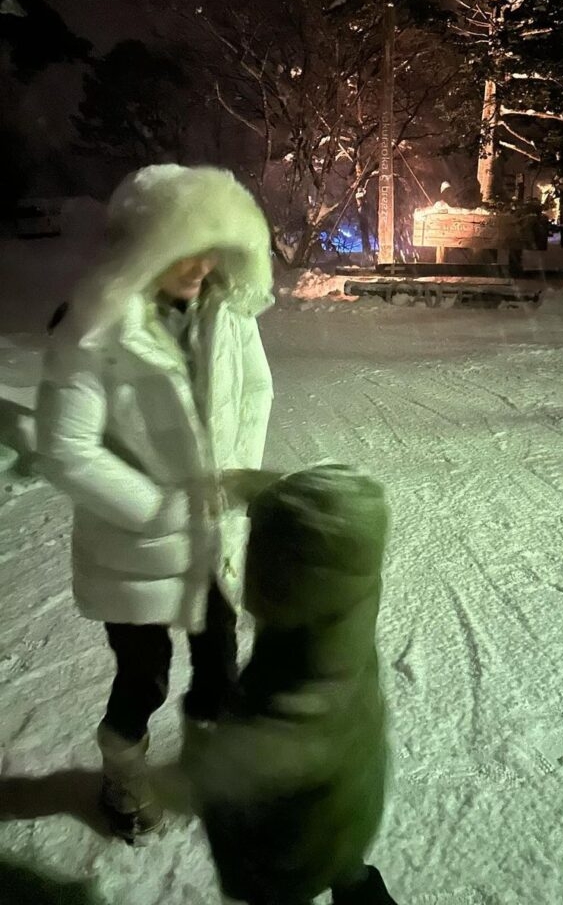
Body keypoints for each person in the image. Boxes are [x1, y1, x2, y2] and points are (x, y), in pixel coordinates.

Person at [34, 164, 274, 841]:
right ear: (144, 250)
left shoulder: (226, 310)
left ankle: (210, 767)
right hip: (133, 545)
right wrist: (163, 510)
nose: (201, 263)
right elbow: (66, 447)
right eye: (182, 246)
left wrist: (233, 480)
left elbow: (254, 390)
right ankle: (123, 775)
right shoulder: (94, 327)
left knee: (221, 667)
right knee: (144, 678)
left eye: (212, 245)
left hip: (211, 537)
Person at [180, 464, 398, 905]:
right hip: (349, 793)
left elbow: (245, 763)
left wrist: (168, 773)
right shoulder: (347, 600)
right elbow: (319, 532)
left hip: (293, 837)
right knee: (344, 860)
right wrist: (253, 490)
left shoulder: (311, 693)